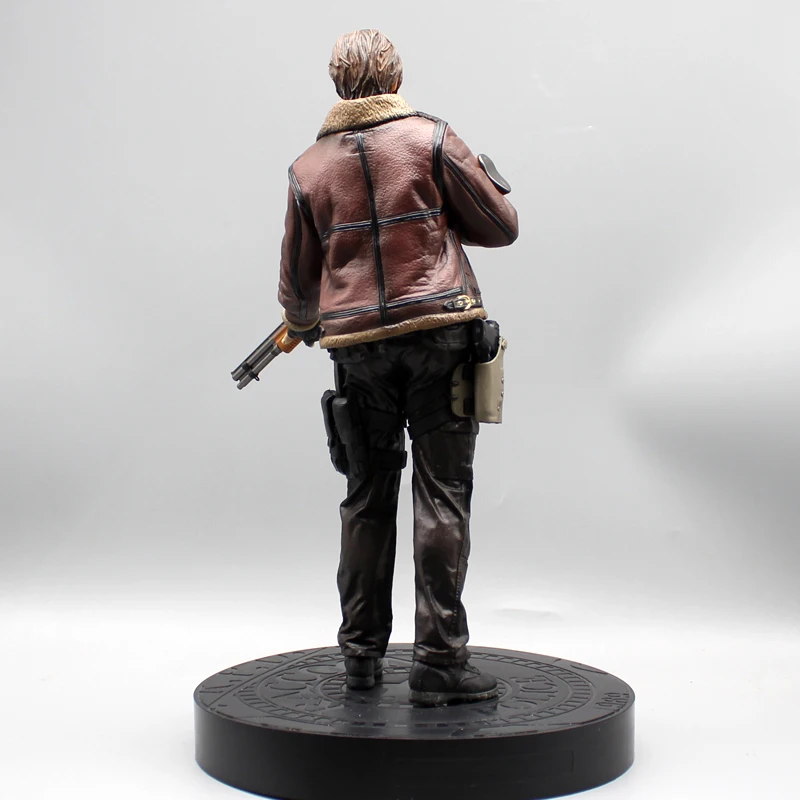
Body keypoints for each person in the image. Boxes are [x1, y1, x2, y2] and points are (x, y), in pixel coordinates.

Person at [277, 29, 519, 706]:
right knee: (442, 495)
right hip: (442, 336)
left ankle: (359, 657)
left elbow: (297, 291)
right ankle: (439, 661)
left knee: (365, 497)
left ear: (337, 83)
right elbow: (501, 225)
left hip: (357, 350)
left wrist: (310, 318)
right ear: (395, 77)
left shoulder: (307, 169)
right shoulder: (431, 138)